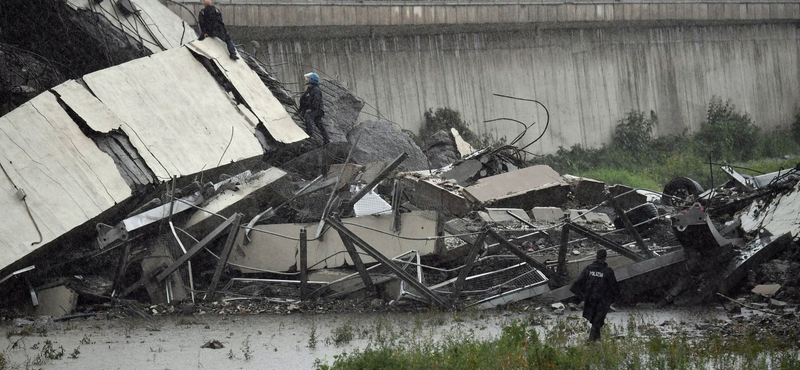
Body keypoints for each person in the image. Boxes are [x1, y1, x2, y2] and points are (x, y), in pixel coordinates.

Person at [570, 249, 620, 341]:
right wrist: (614, 300)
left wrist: (582, 297)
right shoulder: (608, 271)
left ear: (596, 257)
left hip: (590, 299)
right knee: (597, 321)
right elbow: (614, 287)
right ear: (605, 258)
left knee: (595, 320)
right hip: (602, 300)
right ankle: (591, 341)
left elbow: (576, 285)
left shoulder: (588, 269)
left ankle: (597, 340)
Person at [298, 72, 330, 144]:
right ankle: (326, 140)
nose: (306, 79)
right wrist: (299, 111)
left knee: (308, 117)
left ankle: (309, 134)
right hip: (314, 109)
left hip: (317, 109)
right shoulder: (310, 89)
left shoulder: (316, 90)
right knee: (319, 124)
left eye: (308, 78)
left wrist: (310, 108)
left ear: (312, 79)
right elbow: (304, 100)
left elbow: (316, 102)